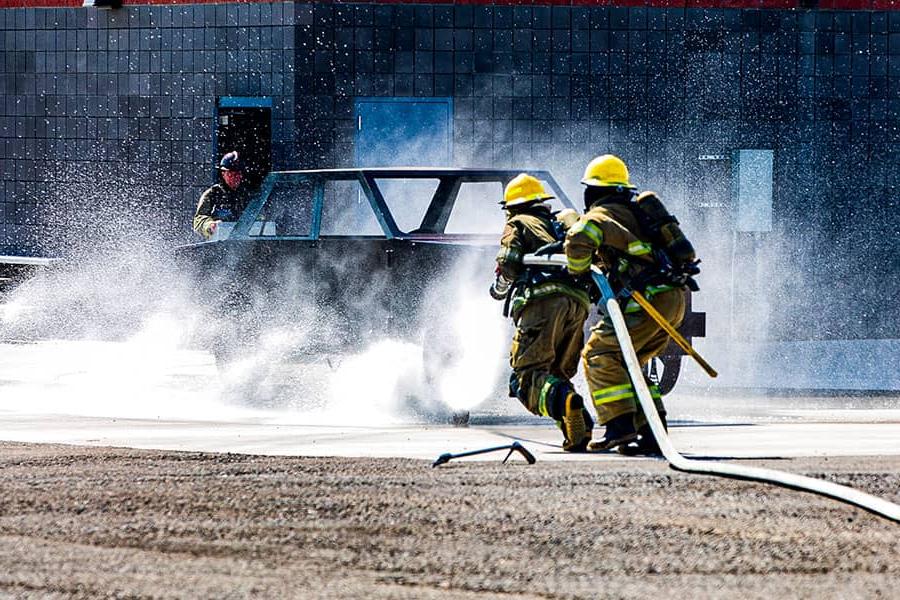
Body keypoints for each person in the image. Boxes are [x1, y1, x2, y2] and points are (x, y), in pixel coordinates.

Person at [564, 155, 688, 455]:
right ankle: (653, 431)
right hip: (674, 296)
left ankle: (618, 427)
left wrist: (577, 269)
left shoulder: (601, 215)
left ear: (593, 191)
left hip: (646, 299)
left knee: (599, 354)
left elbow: (580, 239)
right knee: (630, 363)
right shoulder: (636, 213)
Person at [490, 173, 594, 452]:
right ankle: (578, 432)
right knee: (556, 373)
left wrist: (497, 290)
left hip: (542, 302)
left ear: (512, 207)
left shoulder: (518, 222)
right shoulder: (561, 224)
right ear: (542, 202)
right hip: (578, 304)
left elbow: (509, 263)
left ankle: (565, 403)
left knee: (526, 376)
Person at [193, 151, 251, 240]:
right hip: (217, 244)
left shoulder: (247, 195)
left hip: (244, 243)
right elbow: (198, 220)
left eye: (238, 174)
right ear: (223, 174)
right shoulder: (212, 194)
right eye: (231, 174)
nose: (236, 177)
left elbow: (259, 216)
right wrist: (210, 225)